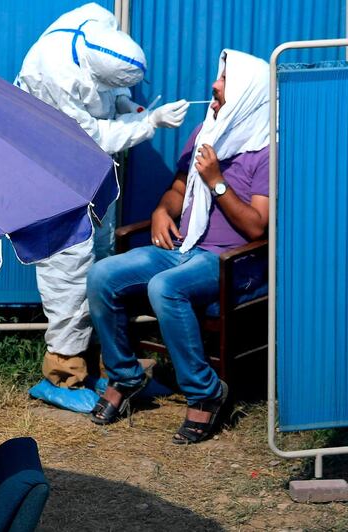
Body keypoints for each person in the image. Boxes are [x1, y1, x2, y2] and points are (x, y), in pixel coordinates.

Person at [87, 49, 270, 444]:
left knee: (165, 287)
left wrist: (216, 181)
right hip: (184, 247)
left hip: (228, 261)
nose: (214, 85)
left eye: (225, 81)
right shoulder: (206, 133)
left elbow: (257, 227)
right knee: (102, 274)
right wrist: (160, 211)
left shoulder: (265, 151)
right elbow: (177, 189)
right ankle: (126, 375)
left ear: (249, 94)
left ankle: (206, 392)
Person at [15, 3, 189, 389]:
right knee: (68, 263)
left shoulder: (99, 23)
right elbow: (88, 136)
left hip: (94, 171)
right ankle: (64, 372)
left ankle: (107, 361)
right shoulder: (51, 73)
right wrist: (147, 123)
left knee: (103, 257)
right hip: (53, 166)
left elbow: (112, 88)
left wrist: (127, 103)